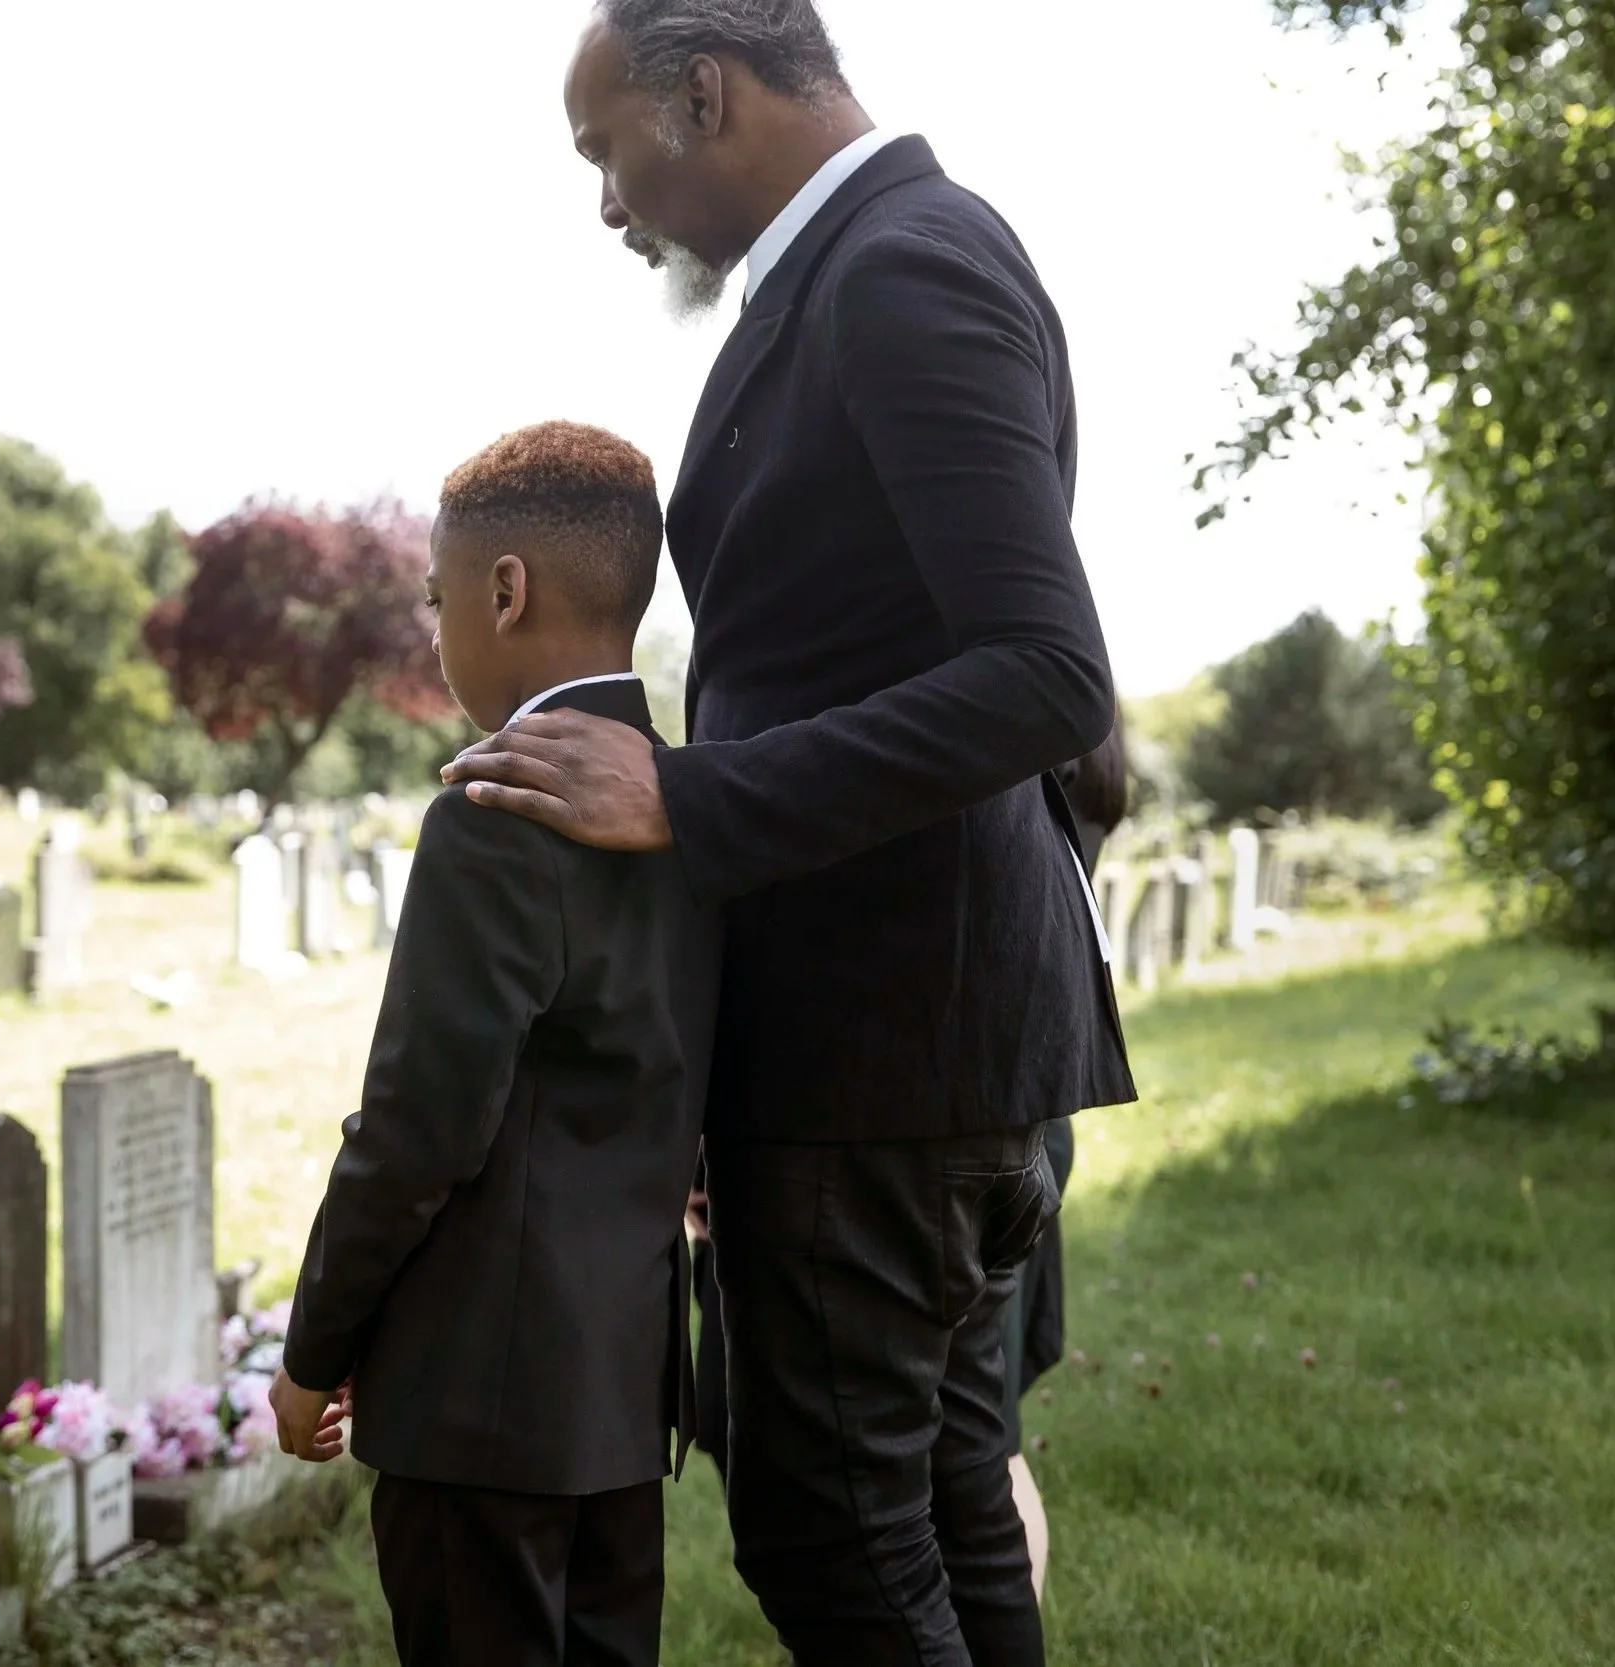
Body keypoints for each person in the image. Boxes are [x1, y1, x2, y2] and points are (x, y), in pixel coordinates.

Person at [443, 5, 1137, 1663]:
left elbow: (1049, 675)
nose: (608, 205)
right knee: (952, 1496)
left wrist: (685, 795)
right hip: (922, 1043)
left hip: (890, 1053)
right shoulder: (854, 273)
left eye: (608, 149)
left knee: (831, 1528)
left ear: (706, 90)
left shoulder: (907, 265)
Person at [270, 420, 722, 1667]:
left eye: (437, 598)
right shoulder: (697, 803)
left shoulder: (496, 812)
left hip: (476, 1401)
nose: (436, 631)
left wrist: (316, 1348)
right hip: (622, 1391)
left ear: (504, 590)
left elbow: (420, 1124)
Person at [1004, 720, 1133, 1593]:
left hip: (989, 1103)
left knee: (979, 1452)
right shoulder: (1089, 761)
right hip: (1036, 1094)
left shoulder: (1013, 752)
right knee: (983, 1440)